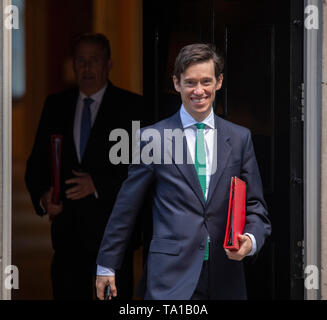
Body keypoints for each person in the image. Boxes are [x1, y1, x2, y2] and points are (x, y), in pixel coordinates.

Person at [95, 43, 271, 300]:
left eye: (206, 81)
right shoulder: (152, 138)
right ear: (176, 83)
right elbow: (126, 207)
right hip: (171, 278)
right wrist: (106, 264)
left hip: (226, 276)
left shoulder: (240, 138)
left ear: (219, 82)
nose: (199, 91)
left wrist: (251, 240)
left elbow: (256, 204)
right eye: (190, 83)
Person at [25, 33, 144, 300]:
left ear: (108, 65)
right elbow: (36, 166)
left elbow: (142, 170)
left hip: (113, 237)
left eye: (94, 60)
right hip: (68, 238)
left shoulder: (132, 108)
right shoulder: (55, 106)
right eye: (81, 61)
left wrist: (98, 184)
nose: (87, 67)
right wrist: (44, 196)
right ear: (73, 64)